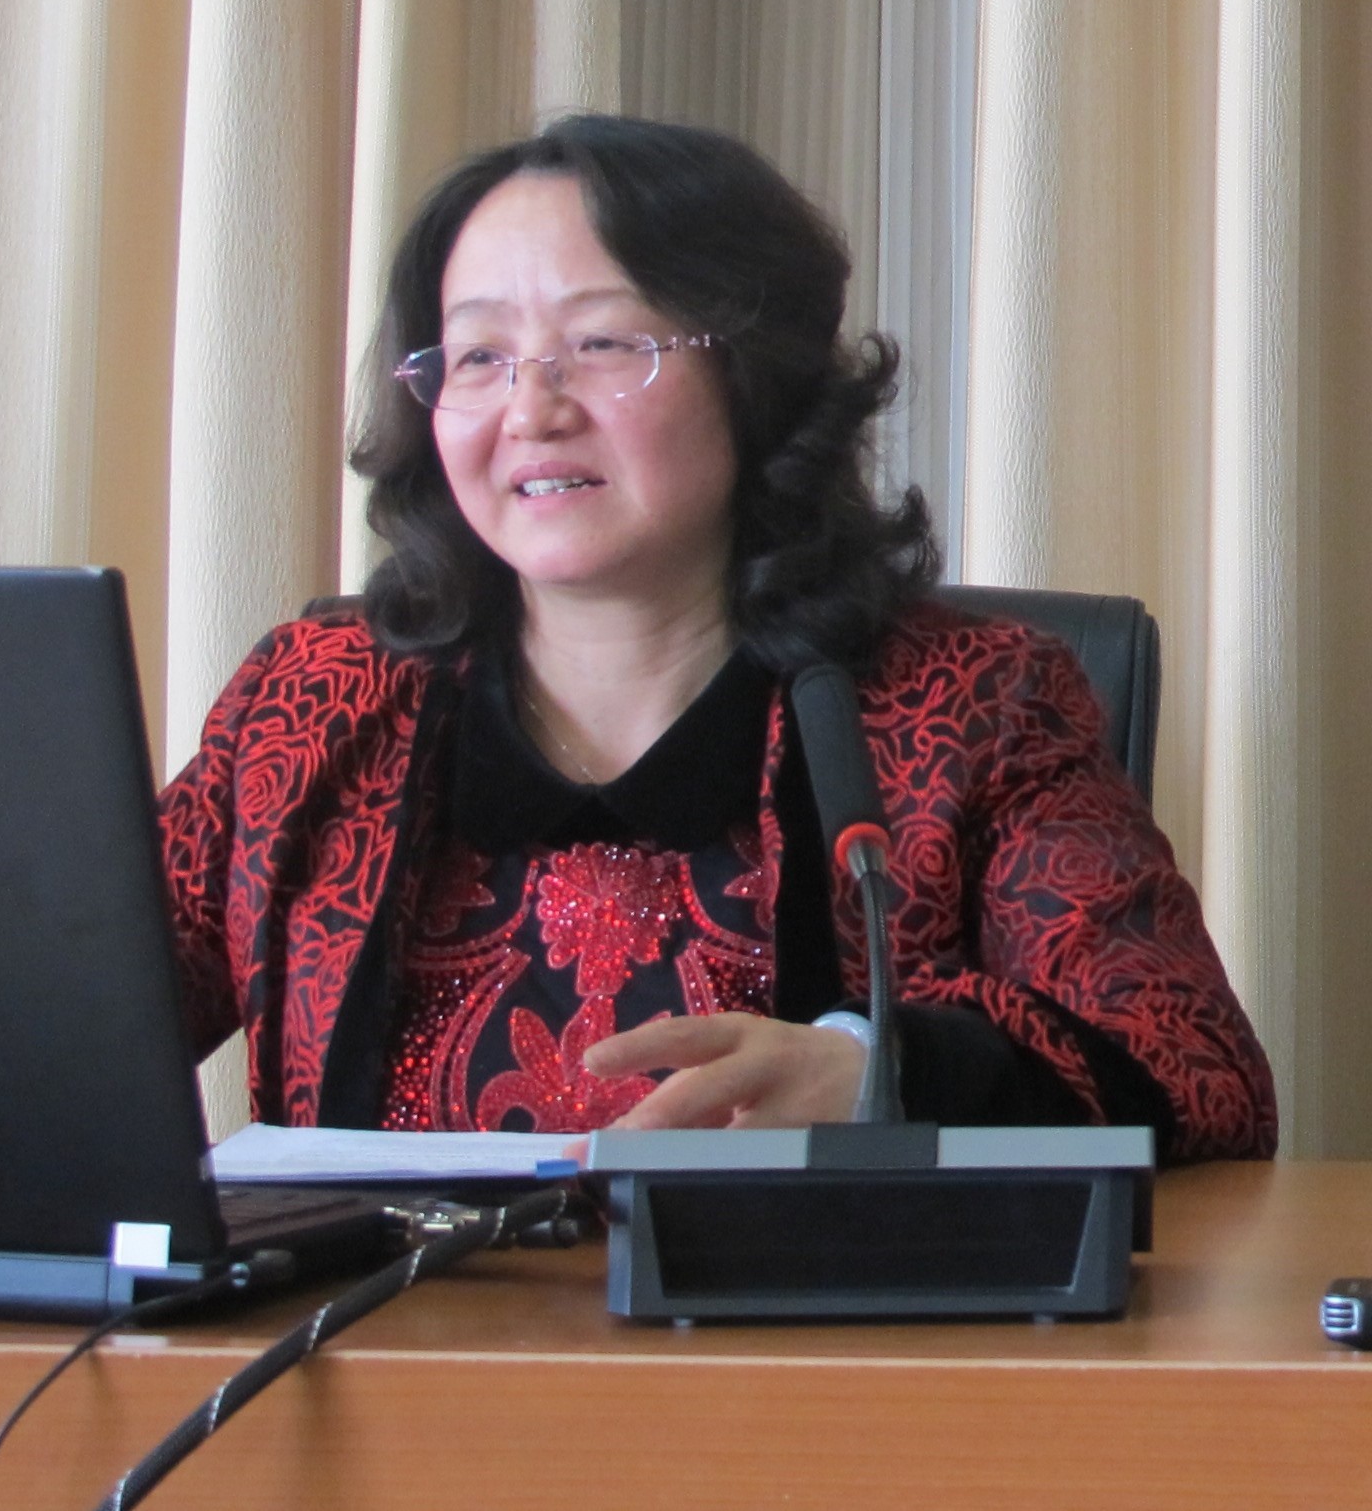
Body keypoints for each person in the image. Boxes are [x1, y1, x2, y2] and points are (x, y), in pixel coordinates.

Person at [158, 115, 1276, 1159]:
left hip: (793, 1316)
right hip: (394, 1316)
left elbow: (1203, 1078)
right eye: (480, 357)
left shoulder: (975, 703)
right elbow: (84, 1018)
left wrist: (880, 1074)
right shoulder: (311, 704)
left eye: (603, 342)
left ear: (752, 374)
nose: (532, 410)